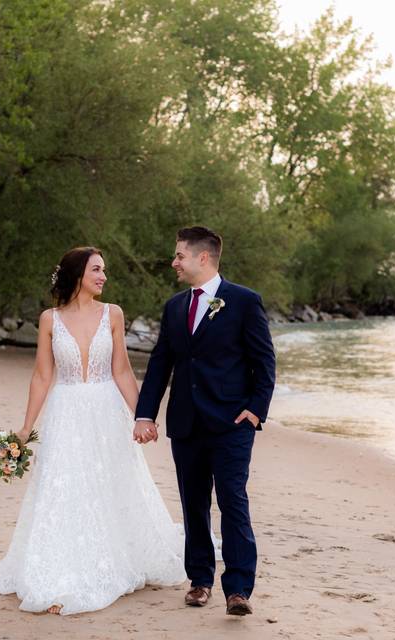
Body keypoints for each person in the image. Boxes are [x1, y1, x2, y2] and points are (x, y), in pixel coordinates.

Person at [0, 247, 185, 615]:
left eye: (104, 270)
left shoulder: (114, 314)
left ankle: (114, 555)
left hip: (107, 411)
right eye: (97, 270)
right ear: (77, 275)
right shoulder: (49, 320)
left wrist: (143, 416)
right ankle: (60, 572)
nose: (103, 277)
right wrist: (26, 428)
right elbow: (43, 375)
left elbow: (121, 370)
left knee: (112, 484)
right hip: (65, 412)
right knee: (65, 489)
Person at [134, 226, 276, 616]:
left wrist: (255, 410)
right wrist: (145, 413)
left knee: (233, 502)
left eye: (179, 255)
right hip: (186, 424)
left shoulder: (245, 302)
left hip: (232, 423)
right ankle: (199, 581)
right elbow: (162, 361)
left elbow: (264, 361)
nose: (174, 261)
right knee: (193, 504)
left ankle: (238, 590)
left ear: (203, 257)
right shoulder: (175, 306)